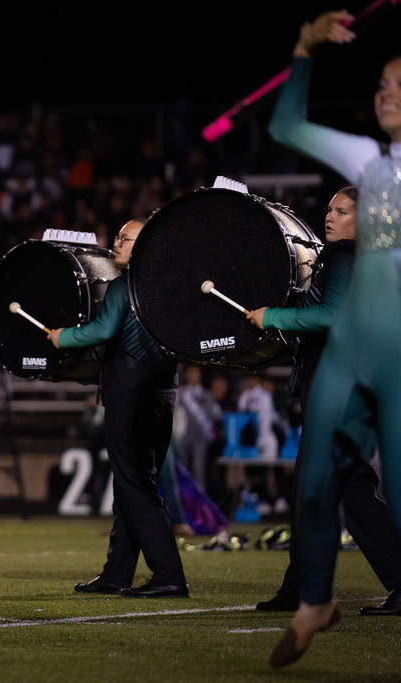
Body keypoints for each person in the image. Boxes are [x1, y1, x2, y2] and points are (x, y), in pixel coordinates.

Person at [264, 10, 401, 667]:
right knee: (318, 484)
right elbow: (285, 126)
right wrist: (302, 49)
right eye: (381, 81)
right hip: (360, 354)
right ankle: (315, 598)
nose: (385, 90)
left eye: (400, 82)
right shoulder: (369, 162)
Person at [247, 186, 401, 615]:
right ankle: (298, 588)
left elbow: (333, 316)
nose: (330, 217)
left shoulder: (346, 258)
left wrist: (272, 316)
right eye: (329, 209)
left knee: (350, 489)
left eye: (343, 211)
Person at [49, 218, 188, 599]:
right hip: (163, 393)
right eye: (119, 237)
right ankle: (117, 573)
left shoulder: (122, 286)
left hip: (129, 393)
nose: (116, 243)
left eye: (125, 239)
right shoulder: (167, 288)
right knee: (134, 485)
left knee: (136, 485)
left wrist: (65, 337)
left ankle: (169, 575)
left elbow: (104, 330)